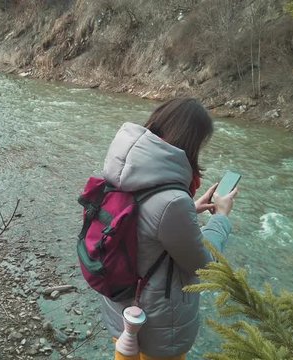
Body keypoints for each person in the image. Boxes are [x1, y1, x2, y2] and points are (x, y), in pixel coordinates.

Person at [100, 98, 238, 360]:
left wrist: (190, 209)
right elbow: (204, 266)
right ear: (192, 141)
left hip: (121, 309)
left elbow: (140, 223)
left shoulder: (121, 170)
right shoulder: (172, 201)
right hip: (158, 326)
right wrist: (221, 217)